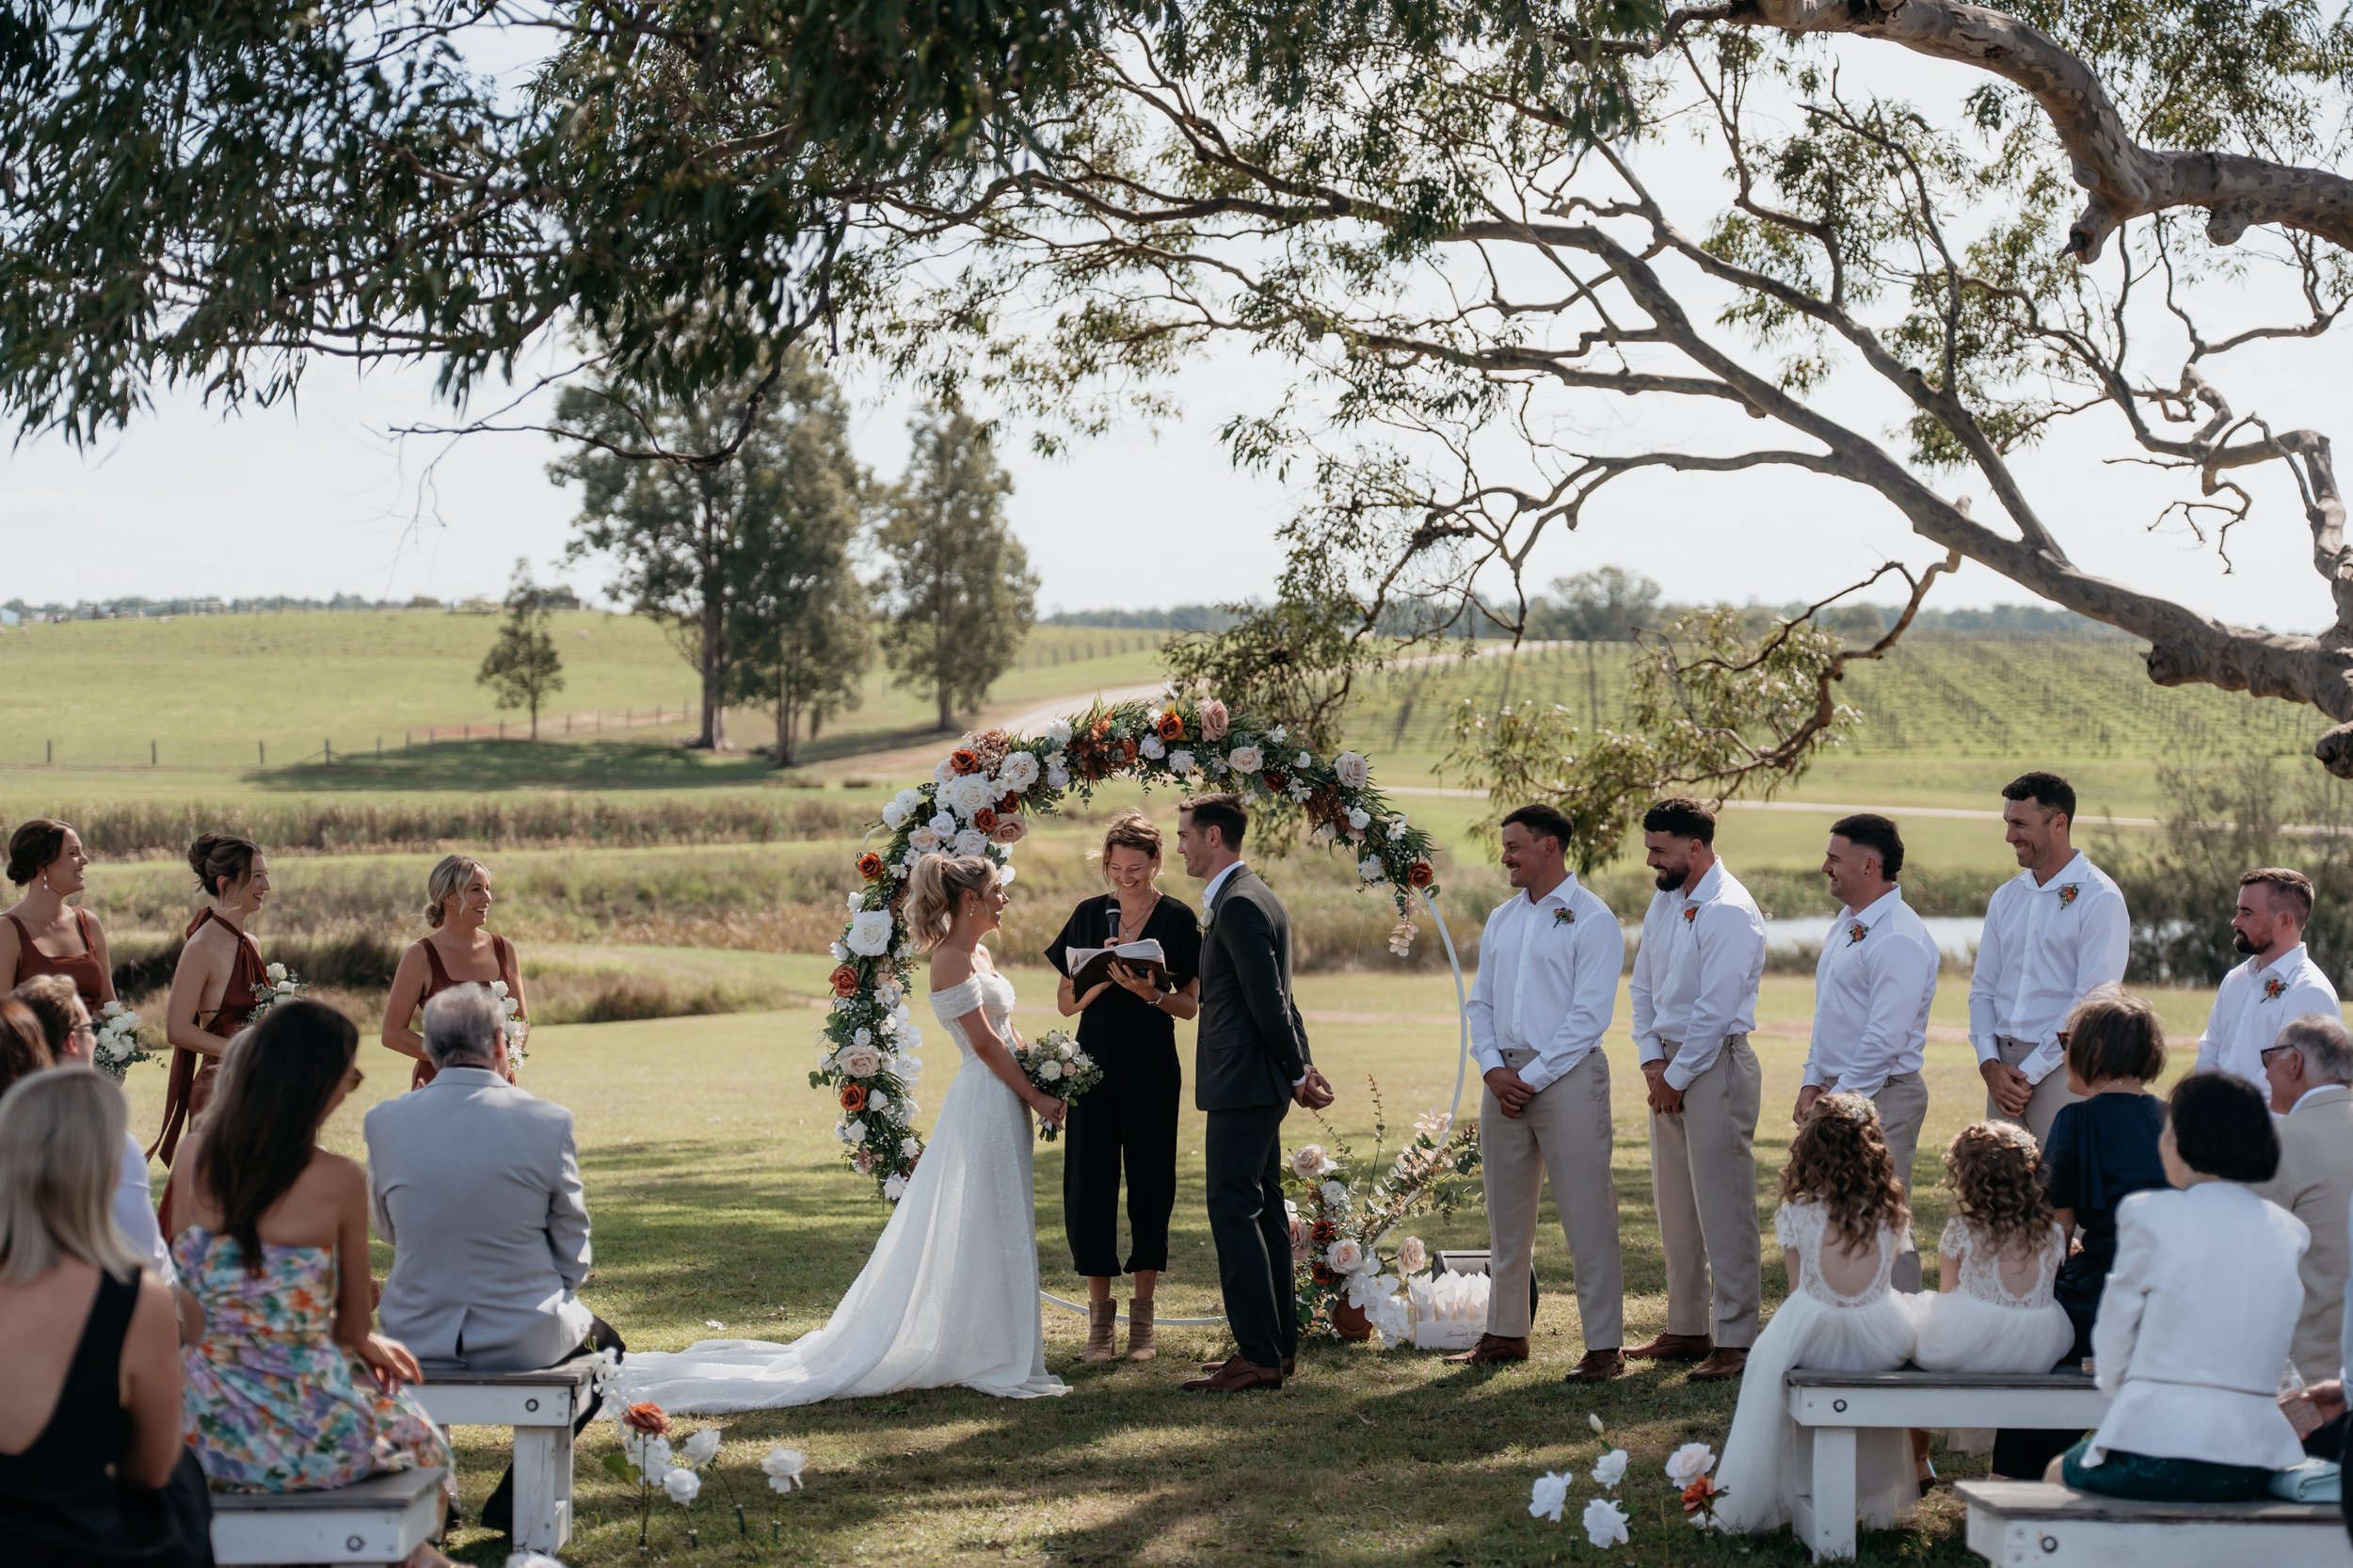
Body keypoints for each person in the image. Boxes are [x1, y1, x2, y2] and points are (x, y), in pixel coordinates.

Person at [615, 854, 1070, 1410]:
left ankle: (990, 1338)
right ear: (970, 898)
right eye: (997, 890)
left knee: (1001, 1209)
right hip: (985, 1098)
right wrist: (1036, 1096)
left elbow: (1008, 1032)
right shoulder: (950, 960)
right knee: (982, 1210)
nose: (1005, 899)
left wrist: (1047, 1069)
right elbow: (984, 1045)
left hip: (1008, 1095)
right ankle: (979, 1346)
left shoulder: (982, 954)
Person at [165, 1001, 452, 1565]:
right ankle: (417, 1556)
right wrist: (362, 1338)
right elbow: (350, 1328)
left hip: (202, 1425)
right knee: (419, 1438)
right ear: (317, 1083)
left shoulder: (193, 1154)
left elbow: (192, 1306)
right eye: (349, 1077)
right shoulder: (340, 1179)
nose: (348, 1091)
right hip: (309, 1428)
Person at [365, 983, 620, 1539]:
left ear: (429, 1050)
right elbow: (573, 1237)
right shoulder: (547, 1119)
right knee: (607, 1348)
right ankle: (513, 1500)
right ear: (501, 1045)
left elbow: (387, 1229)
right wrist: (552, 1293)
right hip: (524, 1331)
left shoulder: (384, 1120)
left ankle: (442, 1492)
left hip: (415, 1328)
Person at [2047, 1073, 2309, 1501]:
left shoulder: (2147, 1213)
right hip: (2256, 1455)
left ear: (2186, 1140)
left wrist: (2128, 1394)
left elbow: (2114, 1332)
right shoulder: (2290, 1230)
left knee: (2058, 1472)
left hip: (2162, 1445)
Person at [0, 1068, 211, 1568]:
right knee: (182, 1482)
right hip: (80, 1540)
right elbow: (153, 1468)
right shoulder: (134, 1298)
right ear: (110, 1172)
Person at [1450, 802, 1625, 1384]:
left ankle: (1604, 1345)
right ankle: (1506, 1331)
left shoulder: (1593, 918)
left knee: (1588, 1213)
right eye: (1505, 847)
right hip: (1504, 1081)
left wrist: (1532, 1077)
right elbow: (1480, 1002)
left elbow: (1589, 1016)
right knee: (1506, 1216)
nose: (1505, 857)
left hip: (1567, 1076)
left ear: (1549, 846)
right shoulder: (1502, 918)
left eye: (1514, 846)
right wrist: (1492, 1069)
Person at [1179, 792, 1333, 1393]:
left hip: (1243, 1081)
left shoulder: (1240, 903)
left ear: (1214, 836)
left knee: (1232, 1208)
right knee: (1264, 1209)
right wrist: (1301, 1064)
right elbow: (1281, 997)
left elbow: (1269, 1001)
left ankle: (1258, 1356)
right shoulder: (1255, 895)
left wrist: (1297, 1071)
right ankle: (1276, 1349)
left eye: (1186, 835)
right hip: (1255, 1079)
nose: (1181, 847)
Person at [1715, 1094, 1920, 1536]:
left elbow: (1798, 1292)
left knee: (1770, 1363)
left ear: (1810, 1148)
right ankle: (1873, 1497)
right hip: (1881, 1338)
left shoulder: (1798, 1212)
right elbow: (1883, 1281)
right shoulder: (1891, 1214)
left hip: (1814, 1332)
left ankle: (1792, 1487)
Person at [1990, 989, 2173, 1480]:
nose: (2062, 1051)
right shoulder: (2171, 1117)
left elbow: (2057, 1226)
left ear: (2096, 1050)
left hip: (2099, 1299)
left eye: (2066, 1041)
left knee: (2037, 1356)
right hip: (2166, 1296)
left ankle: (2010, 1482)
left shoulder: (2076, 1119)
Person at [1045, 811, 1202, 1363]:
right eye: (1115, 868)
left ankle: (1143, 1323)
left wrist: (1146, 991)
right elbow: (1065, 1004)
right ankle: (1099, 1326)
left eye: (1135, 868)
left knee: (1151, 1182)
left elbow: (1190, 1006)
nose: (1124, 877)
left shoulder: (1179, 919)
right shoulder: (1089, 914)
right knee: (1089, 1183)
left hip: (1152, 1066)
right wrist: (1102, 979)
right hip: (1091, 1066)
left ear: (1156, 862)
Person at [1625, 795, 1765, 1384]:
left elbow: (1715, 1010)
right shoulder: (1666, 900)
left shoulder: (1729, 910)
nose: (1651, 861)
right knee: (1676, 1206)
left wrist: (1676, 1078)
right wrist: (1652, 1062)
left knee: (1725, 1207)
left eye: (1660, 850)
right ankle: (1686, 1327)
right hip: (1667, 1066)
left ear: (1696, 847)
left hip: (1715, 1065)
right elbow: (1642, 988)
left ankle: (1736, 1338)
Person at [1797, 813, 1937, 1291]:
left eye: (1834, 858)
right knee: (1836, 1215)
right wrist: (1812, 1080)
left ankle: (1902, 1320)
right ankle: (1848, 1317)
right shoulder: (1847, 924)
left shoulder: (1898, 935)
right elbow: (1828, 1015)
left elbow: (1885, 1038)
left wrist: (1835, 1101)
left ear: (1869, 865)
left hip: (1885, 1096)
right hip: (1842, 1091)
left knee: (1884, 1219)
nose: (1825, 867)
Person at [1968, 773, 2130, 1144]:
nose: (2009, 836)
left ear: (2059, 823)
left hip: (2065, 1069)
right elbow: (1982, 990)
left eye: (2020, 824)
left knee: (2062, 1179)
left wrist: (2031, 1071)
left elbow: (2093, 1001)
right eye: (2008, 823)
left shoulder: (2100, 897)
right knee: (1998, 1179)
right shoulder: (2006, 897)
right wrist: (1989, 1063)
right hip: (2002, 1073)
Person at [13, 979, 188, 1318]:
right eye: (91, 1027)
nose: (95, 1038)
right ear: (72, 1041)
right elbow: (146, 1257)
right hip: (94, 1319)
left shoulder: (12, 1126)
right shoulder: (109, 1144)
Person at [1910, 1123, 2075, 1463]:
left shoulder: (1961, 1229)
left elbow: (1947, 1295)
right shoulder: (2054, 1232)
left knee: (1908, 1333)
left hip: (1975, 1341)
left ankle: (1917, 1462)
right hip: (2039, 1345)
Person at [152, 834, 271, 1223]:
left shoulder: (251, 942)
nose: (266, 886)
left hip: (256, 1085)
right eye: (257, 876)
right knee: (213, 1204)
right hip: (218, 1088)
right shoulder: (201, 946)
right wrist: (240, 1049)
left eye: (266, 875)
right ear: (225, 883)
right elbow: (177, 1029)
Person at [2254, 1014, 2353, 1385]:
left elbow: (2251, 1264)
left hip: (2309, 1377)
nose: (2265, 1074)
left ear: (2294, 1062)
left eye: (2269, 1058)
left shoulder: (2279, 1143)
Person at [380, 855, 528, 1089]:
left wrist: (507, 1059)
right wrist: (456, 1062)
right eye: (476, 889)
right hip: (439, 1085)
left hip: (497, 1084)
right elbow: (392, 1034)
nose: (487, 897)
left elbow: (521, 1021)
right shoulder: (420, 956)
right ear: (448, 897)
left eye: (488, 888)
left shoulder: (504, 949)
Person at [2195, 867, 2337, 1092]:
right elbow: (2210, 1050)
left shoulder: (2310, 991)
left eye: (2247, 913)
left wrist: (2225, 1107)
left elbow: (2285, 1080)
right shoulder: (2236, 979)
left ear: (2285, 921)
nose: (2235, 921)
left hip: (2265, 1116)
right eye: (2238, 911)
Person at [2, 818, 116, 1014]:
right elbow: (3, 1017)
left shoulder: (88, 923)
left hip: (93, 1034)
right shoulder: (7, 930)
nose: (85, 860)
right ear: (42, 865)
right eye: (73, 853)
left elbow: (108, 1005)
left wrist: (122, 1032)